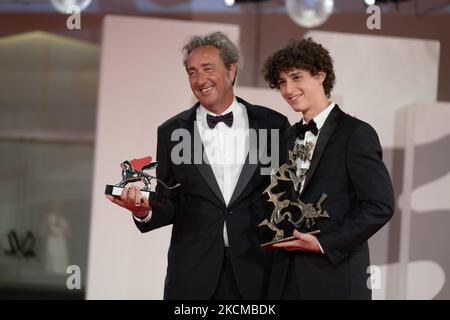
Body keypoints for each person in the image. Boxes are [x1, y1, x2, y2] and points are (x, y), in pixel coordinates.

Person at [106, 31, 290, 299]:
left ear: (231, 70)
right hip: (193, 276)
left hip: (258, 271)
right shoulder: (171, 131)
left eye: (207, 68)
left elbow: (285, 195)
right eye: (192, 72)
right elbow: (170, 201)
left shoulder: (272, 124)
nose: (200, 79)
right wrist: (142, 210)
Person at [261, 37, 395, 299]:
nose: (288, 89)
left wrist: (324, 243)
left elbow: (380, 205)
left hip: (335, 280)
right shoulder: (285, 138)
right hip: (284, 281)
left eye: (296, 77)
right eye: (282, 83)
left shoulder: (356, 133)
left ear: (320, 75)